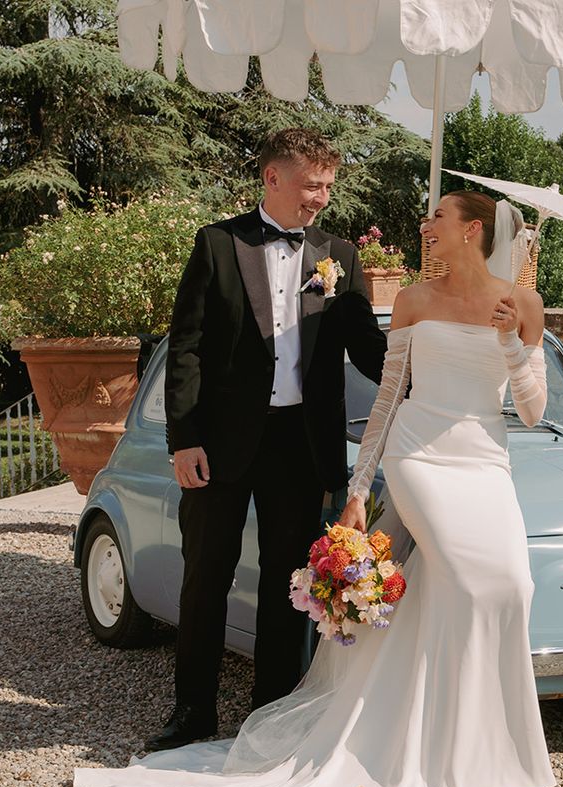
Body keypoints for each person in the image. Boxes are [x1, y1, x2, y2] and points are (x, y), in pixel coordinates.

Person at [74, 190, 556, 787]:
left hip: (485, 459)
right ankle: (458, 758)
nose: (424, 222)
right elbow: (385, 401)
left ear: (472, 231)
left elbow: (533, 409)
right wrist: (358, 492)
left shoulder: (522, 302)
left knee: (512, 588)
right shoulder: (412, 301)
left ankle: (479, 748)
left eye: (437, 215)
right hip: (419, 458)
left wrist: (512, 345)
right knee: (468, 581)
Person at [144, 127, 387, 753]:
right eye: (312, 185)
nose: (321, 199)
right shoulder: (218, 244)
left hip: (300, 446)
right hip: (220, 445)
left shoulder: (341, 256)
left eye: (329, 187)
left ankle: (271, 716)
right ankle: (192, 712)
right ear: (272, 179)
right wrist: (185, 440)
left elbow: (369, 349)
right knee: (207, 576)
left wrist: (431, 352)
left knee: (291, 582)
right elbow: (187, 351)